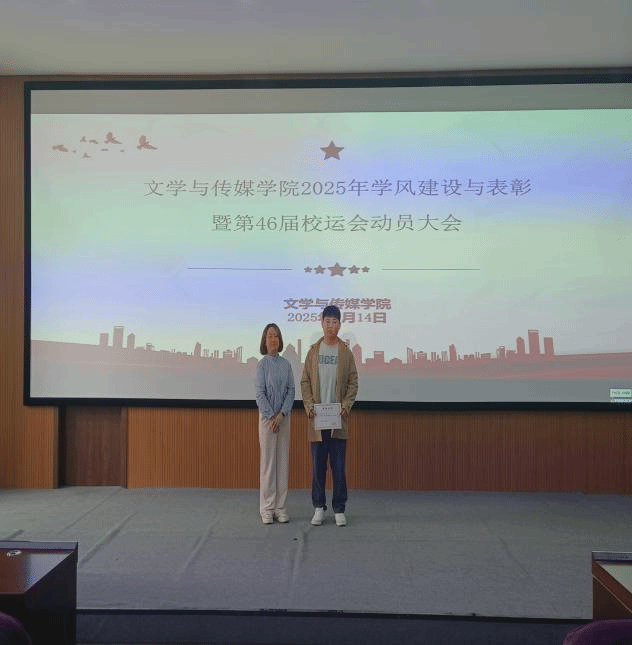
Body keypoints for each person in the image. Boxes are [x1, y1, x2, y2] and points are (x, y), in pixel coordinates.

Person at [301, 305, 358, 527]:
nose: (331, 325)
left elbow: (353, 382)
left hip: (337, 420)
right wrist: (309, 405)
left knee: (339, 467)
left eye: (335, 322)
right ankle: (318, 507)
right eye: (327, 321)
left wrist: (346, 405)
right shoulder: (313, 351)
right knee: (318, 467)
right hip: (317, 420)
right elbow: (305, 381)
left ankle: (339, 508)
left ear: (339, 325)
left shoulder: (345, 352)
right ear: (322, 323)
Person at [255, 323, 295, 524]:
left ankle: (280, 507)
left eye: (276, 336)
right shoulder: (262, 365)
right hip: (267, 422)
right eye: (270, 336)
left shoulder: (286, 365)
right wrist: (272, 416)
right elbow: (260, 393)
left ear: (280, 340)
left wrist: (282, 415)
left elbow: (291, 390)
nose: (273, 340)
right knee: (268, 465)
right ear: (264, 340)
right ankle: (267, 508)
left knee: (282, 464)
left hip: (283, 420)